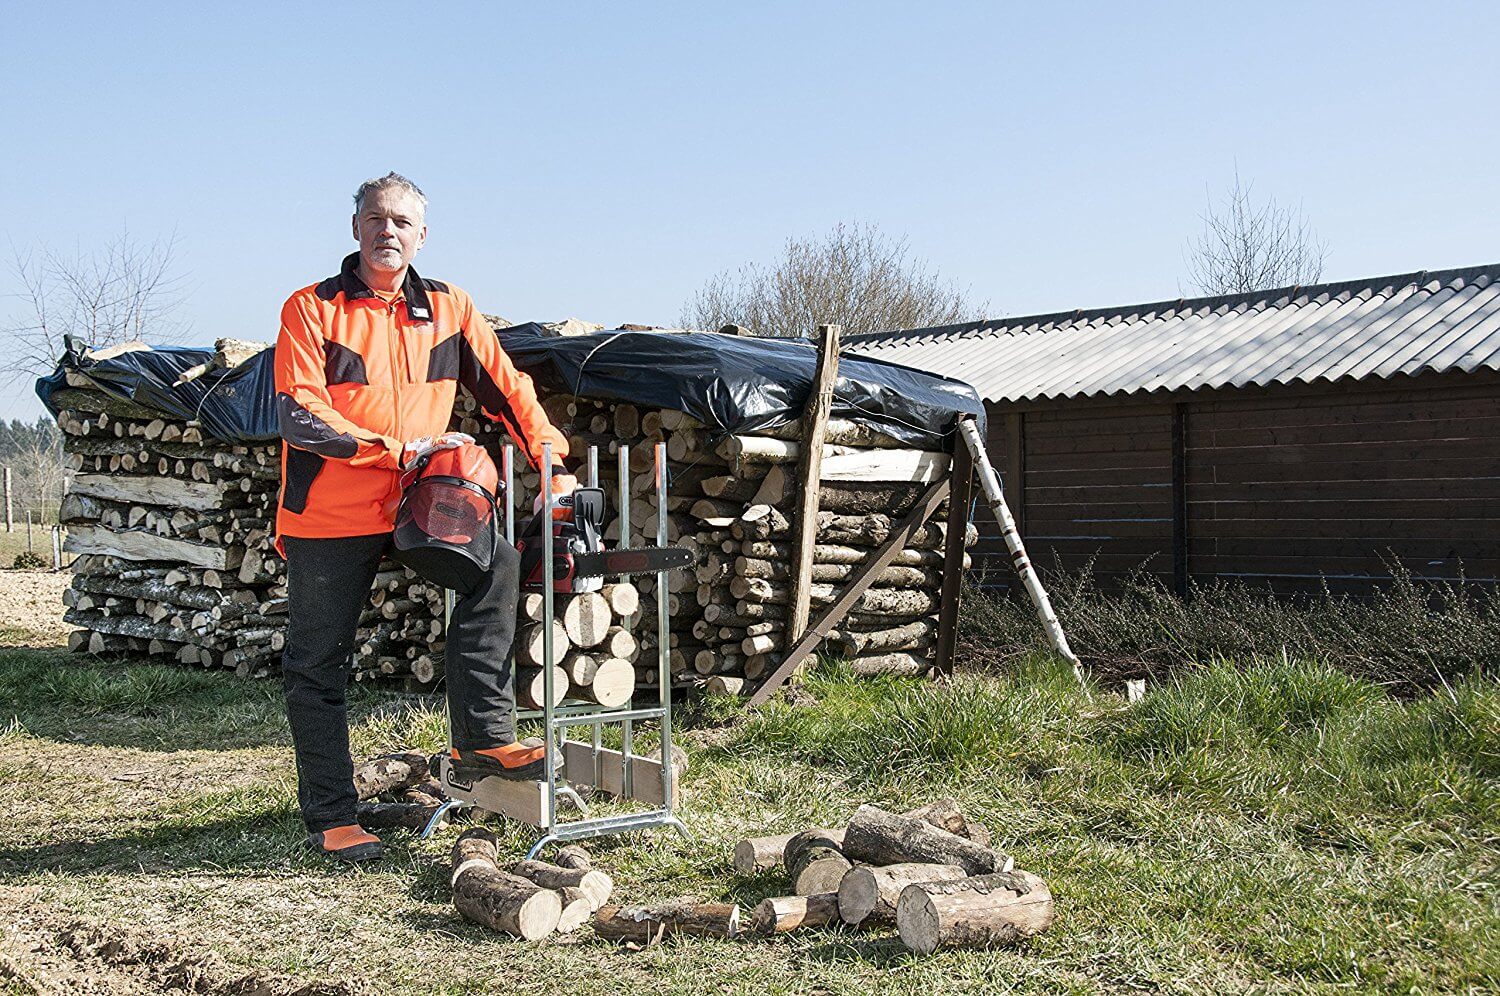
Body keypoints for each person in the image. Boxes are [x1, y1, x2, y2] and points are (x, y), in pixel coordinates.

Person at [273, 172, 577, 862]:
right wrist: (397, 449)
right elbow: (299, 416)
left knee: (495, 565)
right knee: (318, 663)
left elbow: (510, 391)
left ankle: (482, 737)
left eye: (403, 222)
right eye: (377, 219)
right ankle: (331, 815)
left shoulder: (449, 307)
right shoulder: (311, 308)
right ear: (356, 228)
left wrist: (551, 462)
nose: (389, 232)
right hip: (330, 509)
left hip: (423, 504)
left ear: (422, 235)